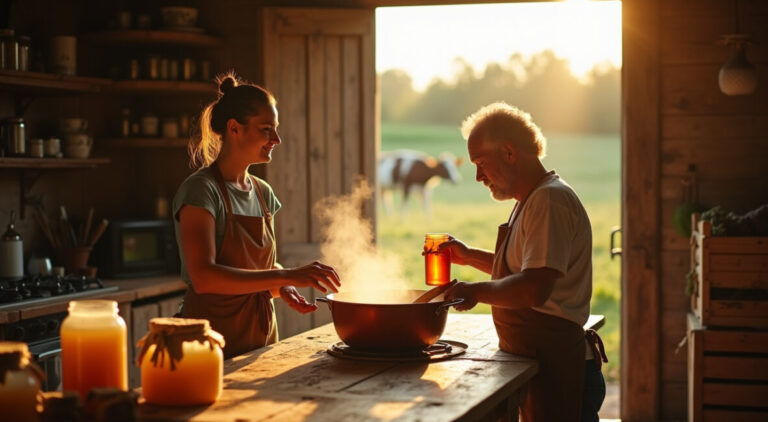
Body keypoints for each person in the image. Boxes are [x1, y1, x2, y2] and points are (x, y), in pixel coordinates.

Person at [440, 102, 606, 421]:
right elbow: (523, 268)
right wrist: (468, 256)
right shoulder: (531, 199)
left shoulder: (549, 200)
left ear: (509, 152)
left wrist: (474, 292)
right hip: (539, 358)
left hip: (558, 366)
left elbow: (533, 288)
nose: (478, 177)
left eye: (481, 163)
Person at [173, 74, 341, 359]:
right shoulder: (201, 190)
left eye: (276, 129)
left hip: (260, 345)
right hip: (209, 348)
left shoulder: (263, 193)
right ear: (234, 128)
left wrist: (282, 287)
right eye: (266, 129)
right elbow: (204, 277)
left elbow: (257, 268)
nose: (277, 139)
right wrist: (287, 274)